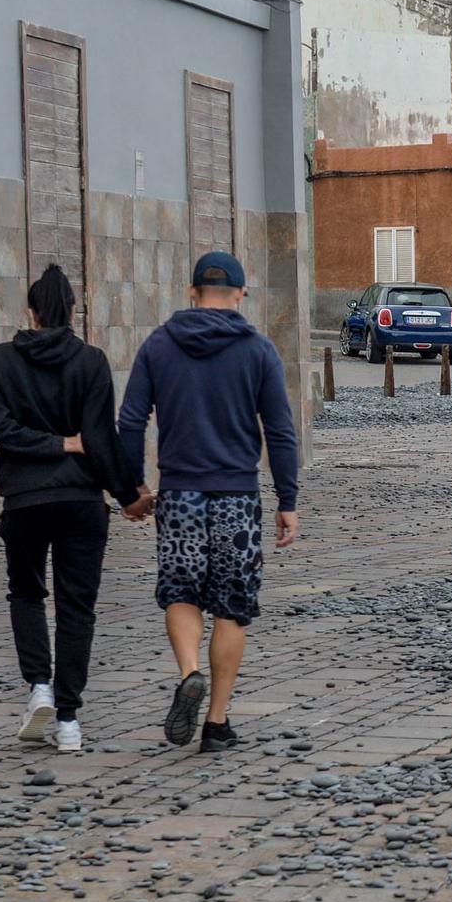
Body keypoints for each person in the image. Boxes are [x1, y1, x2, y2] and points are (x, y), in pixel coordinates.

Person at [118, 251, 300, 752]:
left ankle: (189, 672)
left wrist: (132, 486)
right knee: (232, 608)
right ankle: (216, 723)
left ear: (192, 293)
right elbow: (280, 430)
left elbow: (130, 421)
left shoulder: (159, 346)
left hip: (179, 494)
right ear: (241, 294)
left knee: (180, 591)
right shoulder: (259, 351)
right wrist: (288, 497)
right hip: (238, 496)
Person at [0, 264, 143, 752]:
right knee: (77, 607)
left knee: (26, 594)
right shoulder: (91, 361)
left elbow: (1, 430)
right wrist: (128, 493)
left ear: (30, 311)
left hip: (24, 501)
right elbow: (99, 437)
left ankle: (40, 688)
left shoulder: (0, 361)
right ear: (73, 311)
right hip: (80, 503)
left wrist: (51, 444)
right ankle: (69, 720)